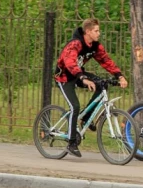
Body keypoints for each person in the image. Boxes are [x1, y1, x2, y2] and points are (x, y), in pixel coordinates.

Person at [54, 18, 128, 157]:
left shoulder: (95, 46)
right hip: (64, 77)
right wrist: (83, 78)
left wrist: (119, 76)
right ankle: (71, 143)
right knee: (74, 106)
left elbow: (106, 61)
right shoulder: (75, 44)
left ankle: (85, 118)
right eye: (96, 31)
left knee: (101, 85)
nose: (99, 33)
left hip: (78, 74)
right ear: (88, 32)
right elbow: (69, 63)